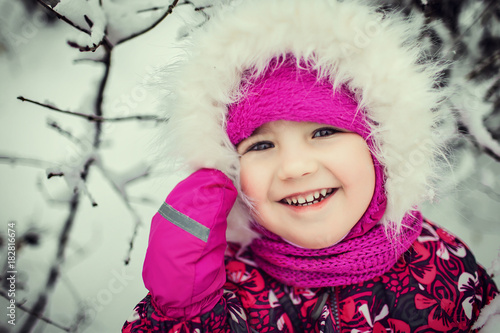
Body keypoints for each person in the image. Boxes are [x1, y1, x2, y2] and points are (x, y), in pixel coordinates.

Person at [122, 0, 499, 331]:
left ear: (381, 149)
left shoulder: (444, 266)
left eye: (323, 132)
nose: (294, 167)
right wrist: (182, 312)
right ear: (231, 170)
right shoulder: (225, 288)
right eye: (262, 144)